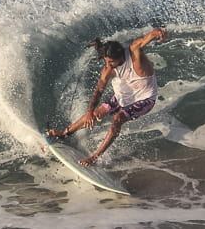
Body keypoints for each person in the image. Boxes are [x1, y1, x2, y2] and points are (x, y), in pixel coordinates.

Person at [47, 28, 167, 166]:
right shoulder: (108, 69)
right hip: (123, 96)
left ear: (120, 56)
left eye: (111, 62)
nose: (108, 66)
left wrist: (160, 33)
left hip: (145, 98)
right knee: (97, 112)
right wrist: (89, 112)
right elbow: (99, 91)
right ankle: (64, 134)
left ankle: (94, 157)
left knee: (118, 119)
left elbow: (149, 36)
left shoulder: (134, 52)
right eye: (106, 62)